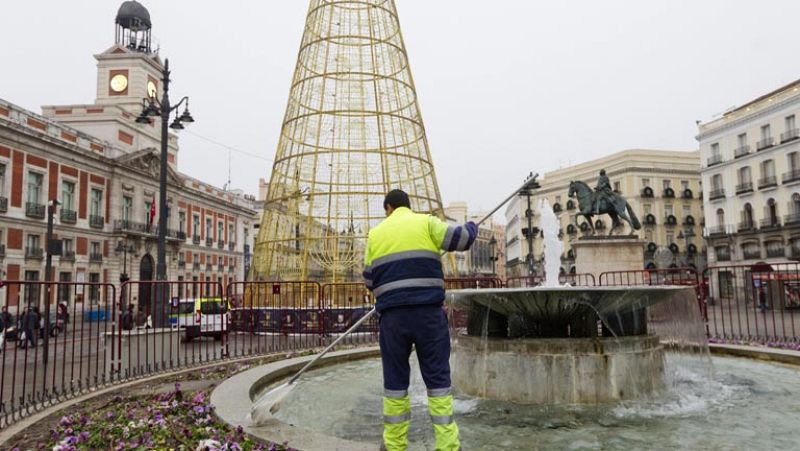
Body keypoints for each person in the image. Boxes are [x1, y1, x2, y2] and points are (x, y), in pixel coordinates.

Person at [363, 189, 477, 451]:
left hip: (392, 319)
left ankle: (394, 445)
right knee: (437, 381)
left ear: (388, 208)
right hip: (428, 315)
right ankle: (447, 445)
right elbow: (460, 239)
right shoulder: (426, 222)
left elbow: (369, 279)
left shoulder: (376, 234)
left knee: (395, 384)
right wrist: (472, 227)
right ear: (407, 206)